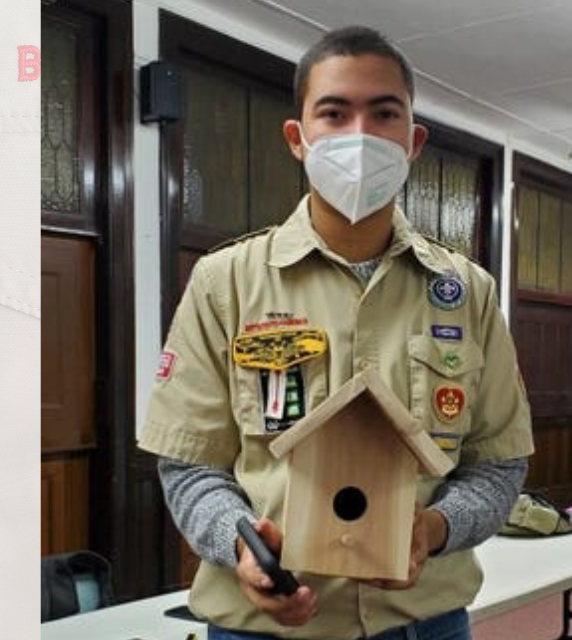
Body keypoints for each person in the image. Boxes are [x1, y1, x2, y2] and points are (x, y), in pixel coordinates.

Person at [138, 25, 534, 640]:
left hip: (424, 625)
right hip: (260, 630)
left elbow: (499, 464)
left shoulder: (469, 293)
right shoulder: (226, 283)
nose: (359, 135)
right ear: (297, 138)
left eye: (384, 113)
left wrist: (436, 529)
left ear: (413, 141)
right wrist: (241, 547)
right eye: (334, 112)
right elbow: (190, 466)